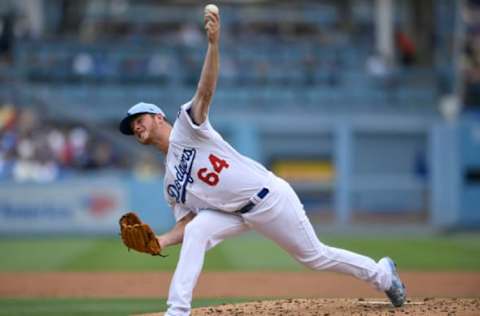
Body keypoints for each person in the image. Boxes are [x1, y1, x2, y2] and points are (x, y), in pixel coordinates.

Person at [118, 7, 406, 316]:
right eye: (131, 125)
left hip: (269, 197)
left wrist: (213, 45)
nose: (135, 126)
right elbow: (186, 224)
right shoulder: (170, 183)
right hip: (234, 215)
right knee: (199, 229)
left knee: (314, 257)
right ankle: (178, 310)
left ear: (158, 116)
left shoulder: (187, 128)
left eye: (139, 118)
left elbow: (205, 91)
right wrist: (160, 241)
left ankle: (382, 274)